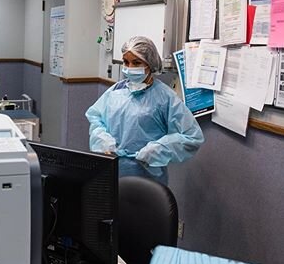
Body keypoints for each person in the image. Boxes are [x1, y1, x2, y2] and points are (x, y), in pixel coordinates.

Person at [85, 36, 204, 185]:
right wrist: (103, 141)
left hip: (148, 177)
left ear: (150, 64)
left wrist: (158, 150)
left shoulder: (164, 97)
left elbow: (192, 137)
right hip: (112, 170)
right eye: (126, 62)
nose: (129, 68)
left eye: (136, 63)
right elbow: (96, 118)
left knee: (143, 207)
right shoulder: (117, 90)